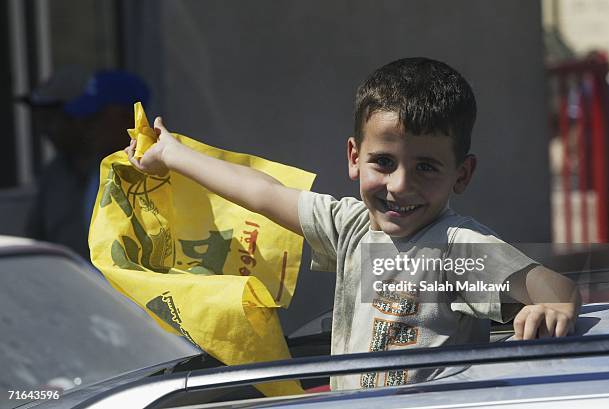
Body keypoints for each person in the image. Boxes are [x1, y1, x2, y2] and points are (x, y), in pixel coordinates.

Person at [125, 57, 581, 390]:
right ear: (353, 158)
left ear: (461, 174)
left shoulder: (456, 247)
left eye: (426, 167)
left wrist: (552, 308)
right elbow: (261, 193)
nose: (399, 186)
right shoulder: (350, 226)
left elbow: (556, 288)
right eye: (383, 162)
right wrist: (172, 155)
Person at [24, 68, 149, 259]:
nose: (86, 125)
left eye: (95, 116)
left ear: (128, 116)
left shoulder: (159, 170)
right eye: (82, 117)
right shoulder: (94, 169)